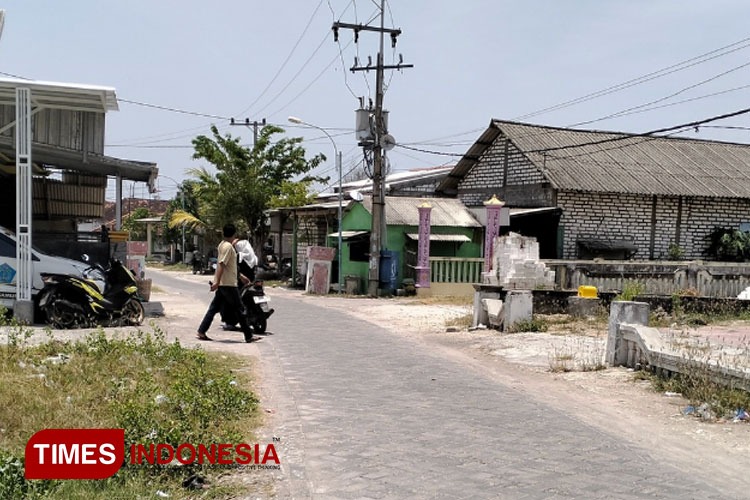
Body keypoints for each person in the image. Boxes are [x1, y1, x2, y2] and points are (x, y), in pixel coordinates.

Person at [197, 224, 256, 343]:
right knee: (240, 309)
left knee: (213, 308)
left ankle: (202, 330)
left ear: (223, 233)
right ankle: (249, 336)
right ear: (234, 234)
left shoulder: (222, 245)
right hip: (228, 284)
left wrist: (241, 276)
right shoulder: (228, 247)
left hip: (226, 283)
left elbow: (229, 266)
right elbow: (221, 264)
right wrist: (217, 281)